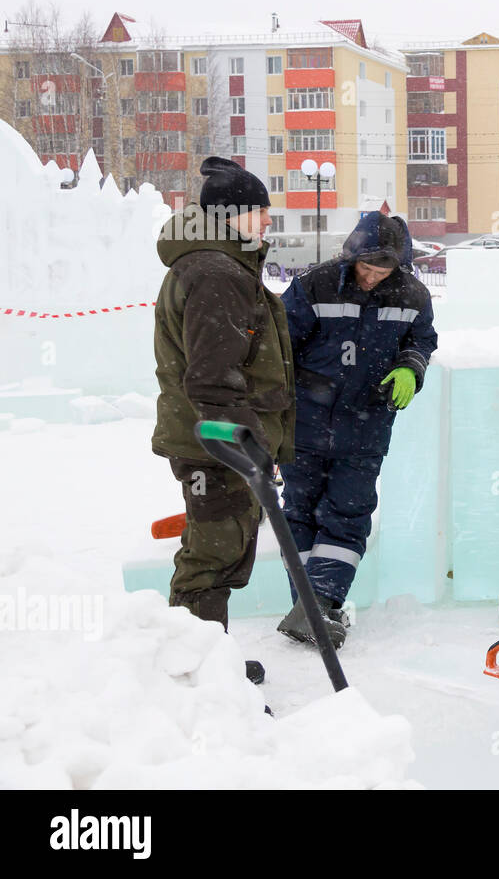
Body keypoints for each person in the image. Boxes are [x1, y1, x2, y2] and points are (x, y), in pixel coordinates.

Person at [152, 157, 293, 686]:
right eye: (261, 212)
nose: (268, 222)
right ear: (231, 215)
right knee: (214, 551)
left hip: (212, 437)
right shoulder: (216, 273)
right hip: (215, 441)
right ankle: (196, 676)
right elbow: (213, 380)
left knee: (222, 547)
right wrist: (245, 444)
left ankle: (208, 661)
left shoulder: (215, 266)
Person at [275, 212, 437, 647]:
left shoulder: (414, 295)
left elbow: (422, 340)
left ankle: (317, 606)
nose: (371, 277)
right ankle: (311, 609)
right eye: (365, 267)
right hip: (305, 424)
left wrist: (410, 368)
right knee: (300, 514)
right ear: (351, 257)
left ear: (398, 267)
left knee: (348, 516)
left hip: (366, 426)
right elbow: (280, 344)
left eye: (381, 270)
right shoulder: (316, 284)